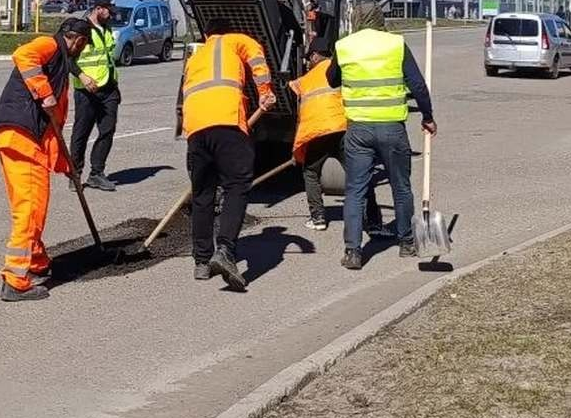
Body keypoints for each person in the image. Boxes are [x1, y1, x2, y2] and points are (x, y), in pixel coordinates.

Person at [0, 17, 93, 302]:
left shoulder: (59, 66)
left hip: (17, 139)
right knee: (31, 210)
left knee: (30, 206)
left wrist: (66, 167)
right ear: (77, 40)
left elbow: (54, 132)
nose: (82, 51)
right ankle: (16, 281)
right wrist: (45, 93)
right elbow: (24, 54)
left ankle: (36, 263)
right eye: (83, 46)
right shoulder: (51, 45)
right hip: (23, 140)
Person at [176, 18, 276, 292]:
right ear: (226, 31)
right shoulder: (236, 40)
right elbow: (257, 59)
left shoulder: (196, 57)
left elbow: (183, 96)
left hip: (196, 130)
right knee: (237, 186)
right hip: (228, 122)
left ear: (207, 34)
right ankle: (226, 250)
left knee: (203, 195)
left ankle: (201, 261)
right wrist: (266, 93)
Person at [329, 27, 437, 270]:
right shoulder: (395, 44)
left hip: (358, 129)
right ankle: (407, 242)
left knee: (355, 190)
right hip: (392, 129)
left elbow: (331, 79)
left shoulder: (345, 45)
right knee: (401, 186)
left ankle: (353, 251)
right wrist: (427, 117)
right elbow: (418, 85)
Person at [290, 38, 382, 233]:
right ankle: (373, 223)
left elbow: (301, 116)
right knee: (360, 172)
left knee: (310, 173)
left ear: (315, 55)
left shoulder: (305, 80)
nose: (308, 62)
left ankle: (318, 218)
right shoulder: (340, 71)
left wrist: (297, 148)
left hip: (317, 133)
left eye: (309, 57)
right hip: (342, 128)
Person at [69, 0, 121, 192]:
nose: (111, 15)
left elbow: (107, 58)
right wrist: (82, 76)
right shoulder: (81, 29)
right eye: (108, 11)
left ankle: (97, 174)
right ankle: (75, 174)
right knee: (81, 133)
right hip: (86, 91)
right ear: (99, 8)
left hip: (108, 88)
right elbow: (68, 59)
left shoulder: (107, 29)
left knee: (107, 130)